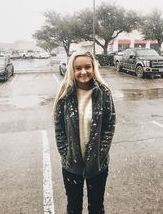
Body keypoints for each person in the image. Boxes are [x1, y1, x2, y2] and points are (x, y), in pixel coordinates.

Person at [53, 51, 116, 214]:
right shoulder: (64, 94)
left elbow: (109, 125)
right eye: (78, 68)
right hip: (71, 166)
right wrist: (65, 152)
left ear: (94, 67)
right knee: (73, 208)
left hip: (98, 165)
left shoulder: (104, 92)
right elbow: (58, 126)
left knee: (96, 208)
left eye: (87, 67)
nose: (83, 72)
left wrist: (100, 154)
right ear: (71, 70)